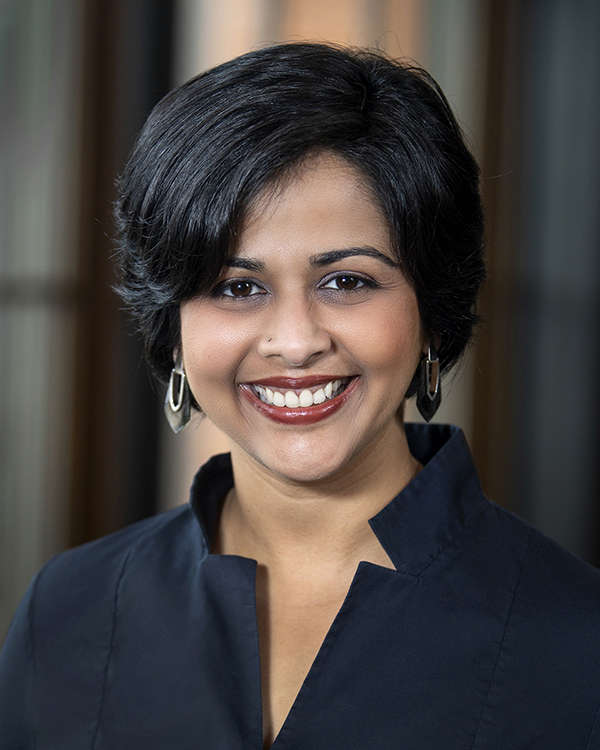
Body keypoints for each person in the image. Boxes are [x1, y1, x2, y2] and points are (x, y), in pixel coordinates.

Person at [1, 42, 600, 750]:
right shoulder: (71, 606)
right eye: (236, 287)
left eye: (346, 281)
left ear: (431, 312)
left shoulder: (576, 640)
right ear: (173, 330)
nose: (294, 341)